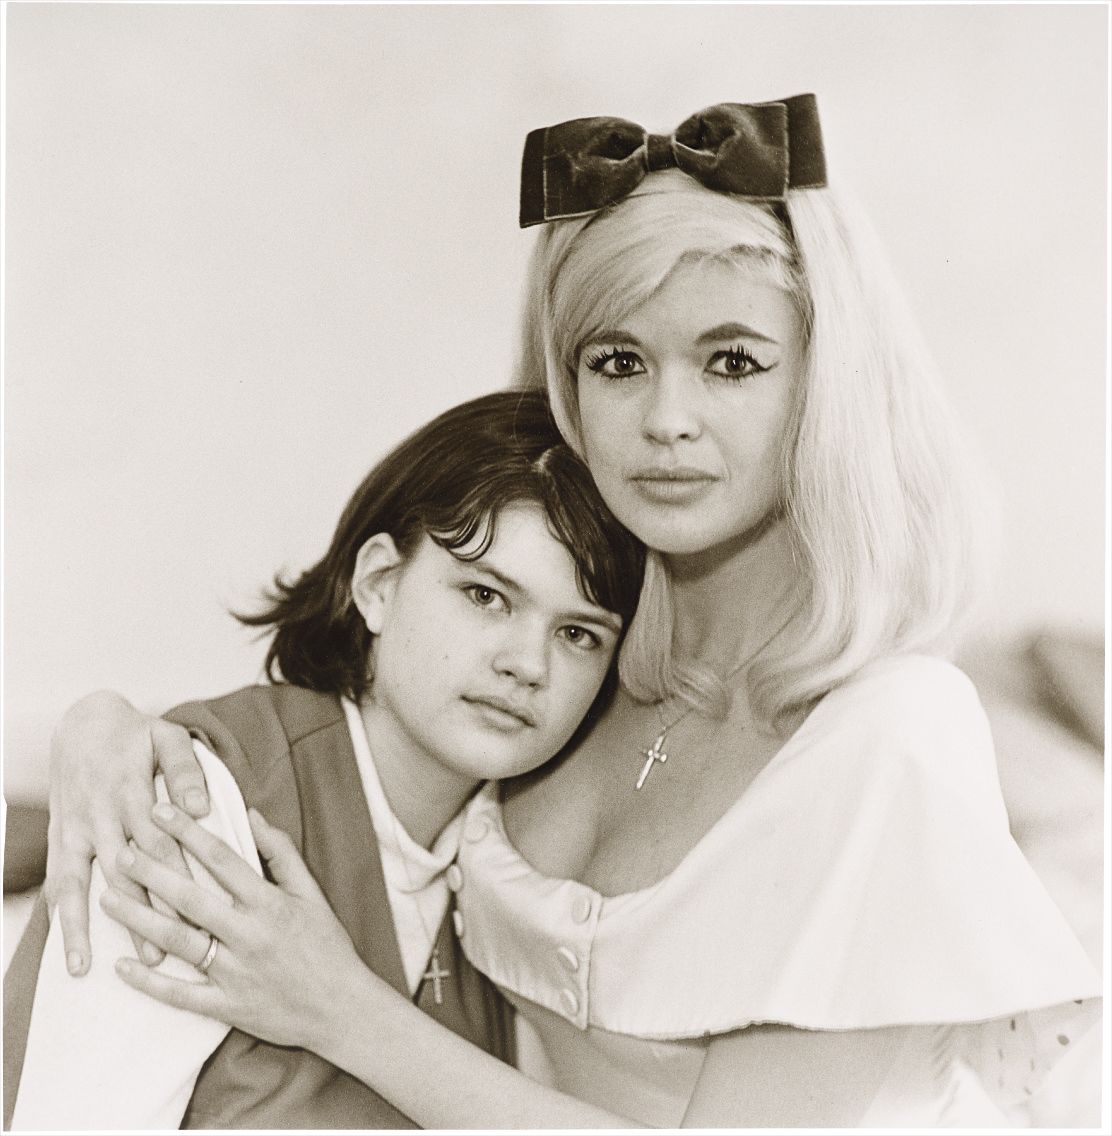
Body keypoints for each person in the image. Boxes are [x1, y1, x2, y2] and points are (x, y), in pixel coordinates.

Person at [29, 95, 1102, 1127]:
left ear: (824, 386)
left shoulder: (890, 732)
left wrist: (340, 1007)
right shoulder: (576, 668)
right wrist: (104, 729)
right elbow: (337, 766)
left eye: (732, 362)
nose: (666, 419)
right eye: (618, 362)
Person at [3, 389, 644, 1129]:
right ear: (378, 585)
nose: (527, 664)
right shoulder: (200, 804)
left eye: (578, 634)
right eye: (485, 595)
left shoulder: (509, 875)